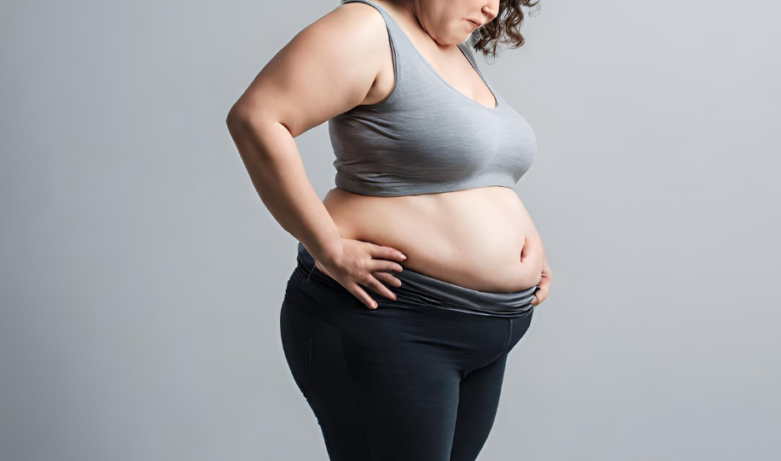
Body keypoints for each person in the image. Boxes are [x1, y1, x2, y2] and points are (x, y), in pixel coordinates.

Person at [225, 0, 551, 459]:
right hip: (393, 322)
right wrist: (328, 245)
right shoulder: (369, 29)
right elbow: (257, 117)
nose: (491, 8)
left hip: (483, 329)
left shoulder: (451, 48)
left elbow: (472, 173)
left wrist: (525, 250)